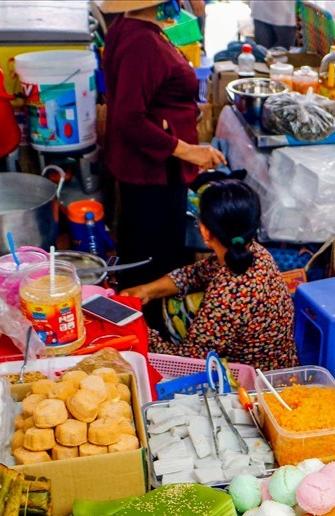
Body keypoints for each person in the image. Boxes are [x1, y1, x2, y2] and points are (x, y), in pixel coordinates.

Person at [100, 0, 226, 305]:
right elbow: (130, 117)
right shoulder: (142, 42)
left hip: (144, 168)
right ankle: (152, 332)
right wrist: (189, 152)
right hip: (153, 174)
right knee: (154, 261)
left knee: (142, 251)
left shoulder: (127, 25)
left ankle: (142, 321)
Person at [121, 180, 297, 371]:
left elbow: (186, 362)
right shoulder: (254, 251)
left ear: (205, 232)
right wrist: (146, 290)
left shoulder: (228, 294)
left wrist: (135, 325)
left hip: (256, 382)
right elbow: (195, 274)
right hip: (283, 362)